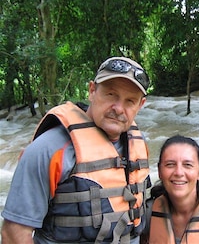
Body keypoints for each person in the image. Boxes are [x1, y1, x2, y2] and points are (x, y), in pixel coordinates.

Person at [1, 56, 152, 244]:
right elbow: (14, 233)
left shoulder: (139, 145)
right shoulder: (48, 150)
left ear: (141, 105)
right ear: (92, 91)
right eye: (111, 94)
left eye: (130, 101)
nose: (119, 108)